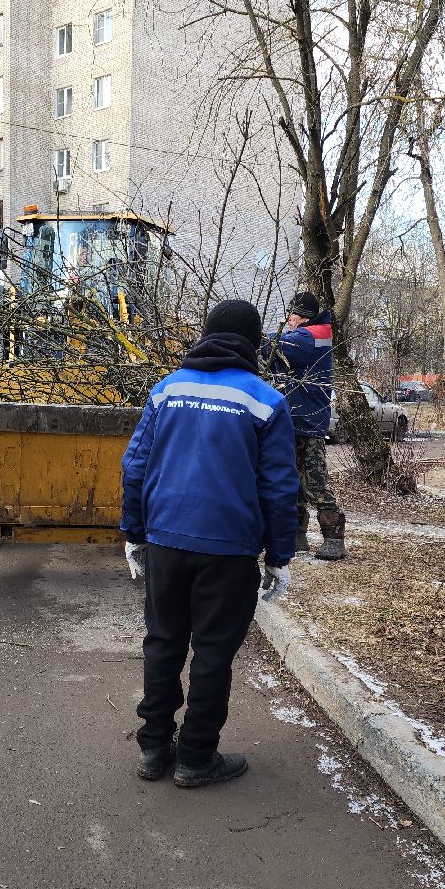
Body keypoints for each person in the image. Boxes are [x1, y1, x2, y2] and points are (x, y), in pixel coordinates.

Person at [121, 299, 300, 788]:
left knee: (163, 643)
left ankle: (153, 748)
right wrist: (279, 556)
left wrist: (135, 533)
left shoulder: (167, 390)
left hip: (166, 541)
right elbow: (279, 487)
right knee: (213, 653)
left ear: (205, 335)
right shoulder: (265, 401)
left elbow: (134, 467)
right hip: (229, 550)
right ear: (253, 343)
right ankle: (196, 758)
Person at [266, 290, 345, 561]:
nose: (288, 319)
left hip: (307, 420)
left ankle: (334, 537)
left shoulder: (310, 336)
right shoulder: (309, 334)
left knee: (314, 482)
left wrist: (247, 335)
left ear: (303, 316)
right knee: (293, 483)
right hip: (296, 419)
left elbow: (275, 347)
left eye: (292, 314)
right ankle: (296, 536)